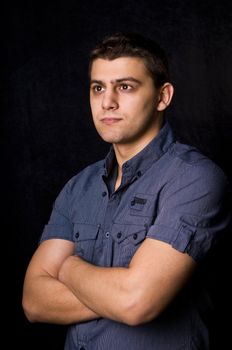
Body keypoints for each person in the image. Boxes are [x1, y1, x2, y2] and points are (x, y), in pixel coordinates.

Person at [22, 32, 231, 350]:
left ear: (163, 96)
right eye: (98, 88)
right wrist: (118, 295)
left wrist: (67, 267)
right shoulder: (78, 186)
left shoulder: (195, 179)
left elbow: (136, 302)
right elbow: (34, 302)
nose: (107, 102)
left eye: (125, 86)